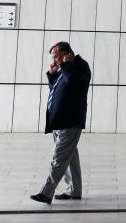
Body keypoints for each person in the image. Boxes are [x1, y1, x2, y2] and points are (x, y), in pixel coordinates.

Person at [30, 41, 91, 204]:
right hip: (58, 121)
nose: (54, 60)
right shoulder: (65, 68)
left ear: (66, 53)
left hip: (70, 121)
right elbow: (56, 90)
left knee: (59, 158)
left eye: (56, 56)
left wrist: (65, 64)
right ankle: (74, 190)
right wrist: (52, 74)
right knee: (69, 157)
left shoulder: (80, 66)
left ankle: (46, 192)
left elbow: (72, 81)